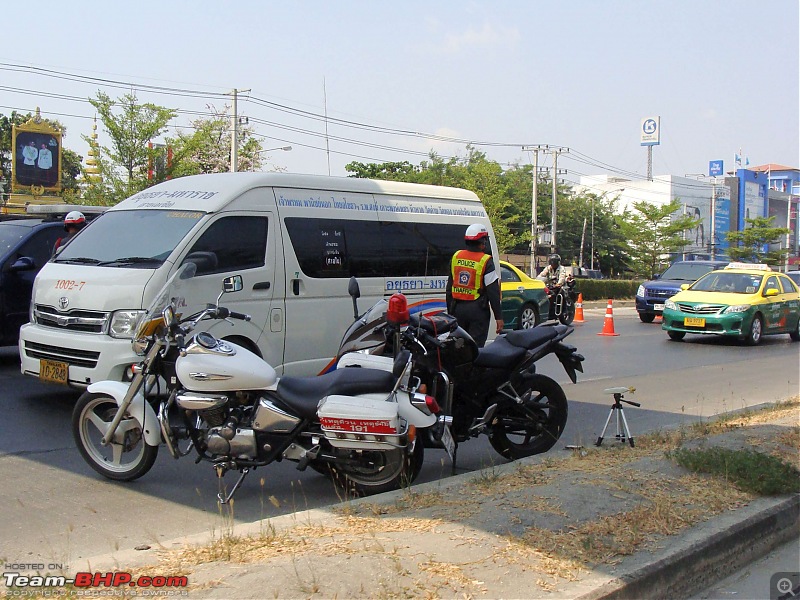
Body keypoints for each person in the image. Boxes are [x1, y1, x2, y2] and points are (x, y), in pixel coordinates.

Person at [446, 223, 503, 347]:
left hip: (457, 309)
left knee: (458, 347)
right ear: (482, 241)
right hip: (477, 311)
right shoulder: (486, 260)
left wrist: (451, 312)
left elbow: (449, 289)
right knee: (475, 348)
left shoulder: (456, 257)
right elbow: (493, 292)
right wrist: (498, 317)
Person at [537, 253, 568, 320]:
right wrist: (537, 281)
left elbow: (562, 277)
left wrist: (559, 283)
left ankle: (564, 310)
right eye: (552, 263)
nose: (553, 264)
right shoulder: (548, 268)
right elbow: (542, 275)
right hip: (550, 286)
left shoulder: (561, 268)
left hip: (560, 286)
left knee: (561, 293)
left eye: (554, 263)